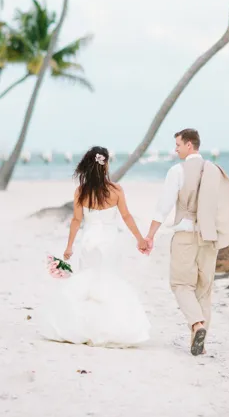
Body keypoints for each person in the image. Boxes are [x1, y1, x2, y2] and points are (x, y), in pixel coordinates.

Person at [35, 147, 151, 349]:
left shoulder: (81, 191)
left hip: (89, 240)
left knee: (87, 283)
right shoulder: (116, 190)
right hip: (110, 240)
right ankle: (110, 327)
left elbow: (76, 220)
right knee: (109, 280)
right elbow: (126, 216)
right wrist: (140, 239)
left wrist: (69, 247)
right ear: (105, 165)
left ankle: (83, 327)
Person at [140, 128, 214, 356]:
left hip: (186, 236)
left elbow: (164, 206)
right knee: (204, 290)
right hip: (210, 237)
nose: (176, 149)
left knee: (181, 285)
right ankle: (199, 344)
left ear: (189, 145)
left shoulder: (177, 171)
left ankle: (197, 325)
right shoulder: (214, 170)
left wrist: (150, 235)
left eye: (178, 145)